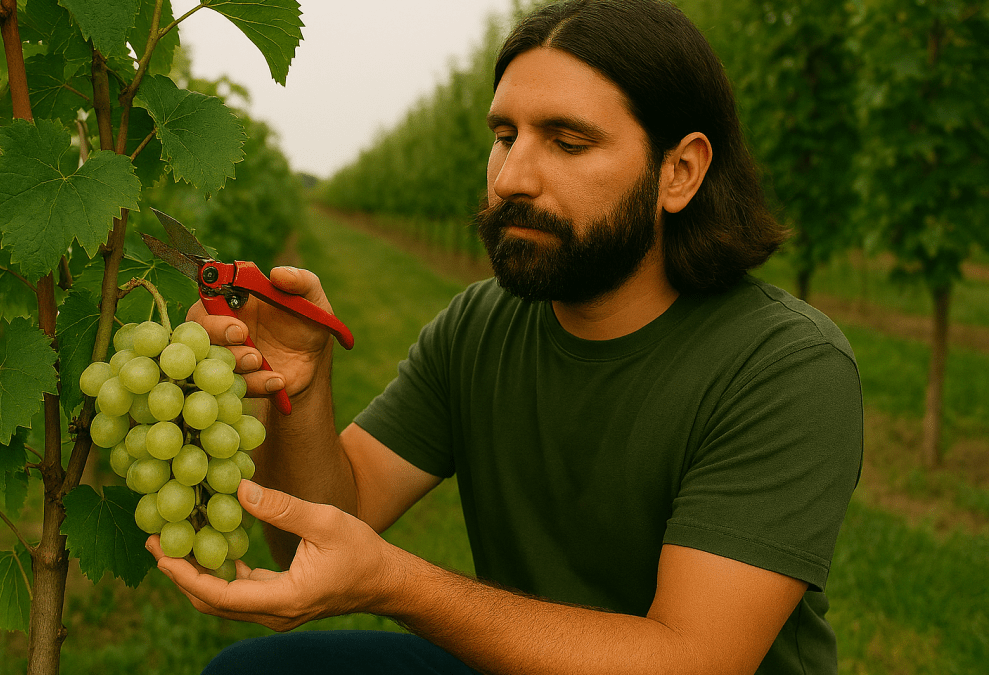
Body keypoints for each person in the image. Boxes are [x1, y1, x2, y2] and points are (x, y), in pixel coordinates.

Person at [147, 1, 863, 673]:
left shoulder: (784, 364)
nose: (512, 176)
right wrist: (301, 380)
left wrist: (398, 582)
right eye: (503, 136)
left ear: (679, 172)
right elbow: (320, 533)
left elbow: (690, 658)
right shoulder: (479, 325)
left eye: (568, 141)